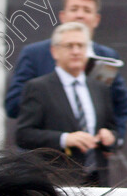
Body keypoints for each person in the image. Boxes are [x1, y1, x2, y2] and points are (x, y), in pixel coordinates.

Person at [5, 0, 127, 146]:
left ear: (96, 19)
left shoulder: (107, 56)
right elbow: (13, 106)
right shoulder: (34, 54)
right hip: (49, 159)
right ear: (62, 16)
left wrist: (113, 139)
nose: (80, 15)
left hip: (93, 159)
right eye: (74, 9)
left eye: (86, 10)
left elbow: (120, 103)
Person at [15, 22, 116, 186]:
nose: (76, 51)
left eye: (81, 46)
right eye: (69, 46)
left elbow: (112, 128)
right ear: (54, 51)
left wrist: (110, 136)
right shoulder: (38, 88)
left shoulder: (100, 88)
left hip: (98, 182)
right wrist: (65, 138)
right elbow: (23, 135)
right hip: (58, 183)